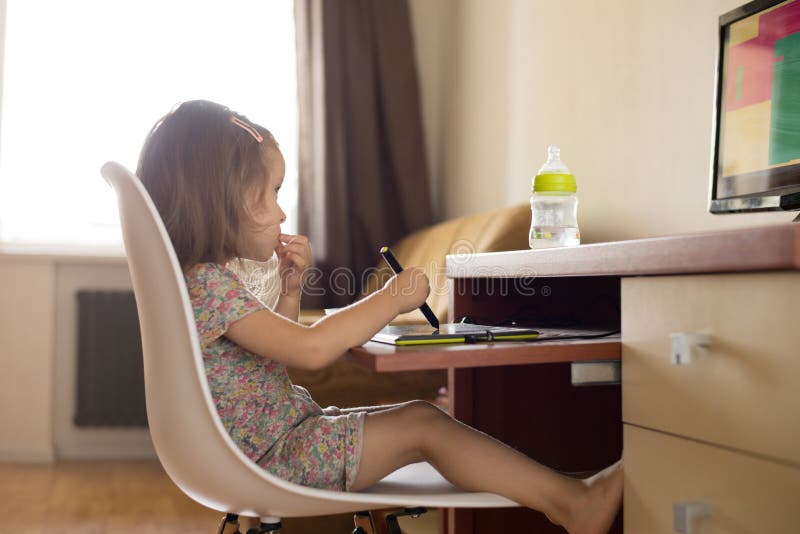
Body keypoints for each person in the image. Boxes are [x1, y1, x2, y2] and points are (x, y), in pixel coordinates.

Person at [137, 100, 622, 533]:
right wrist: (392, 297)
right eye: (273, 192)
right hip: (276, 459)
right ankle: (572, 504)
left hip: (277, 445)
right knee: (423, 425)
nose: (283, 215)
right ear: (223, 198)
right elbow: (312, 351)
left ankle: (567, 499)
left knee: (424, 420)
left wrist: (289, 289)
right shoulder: (209, 284)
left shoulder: (199, 282)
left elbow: (274, 356)